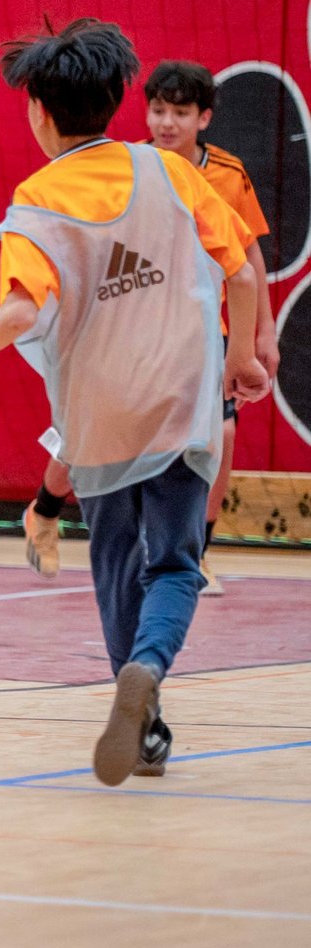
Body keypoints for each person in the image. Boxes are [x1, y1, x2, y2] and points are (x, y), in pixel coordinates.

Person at [0, 18, 266, 785]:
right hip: (181, 403)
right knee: (174, 565)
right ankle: (148, 668)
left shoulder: (36, 200)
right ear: (116, 102)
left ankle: (139, 716)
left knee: (113, 563)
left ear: (39, 110)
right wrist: (239, 361)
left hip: (96, 416)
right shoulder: (173, 173)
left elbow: (18, 312)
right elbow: (241, 272)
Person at [23, 61, 281, 593]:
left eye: (180, 112)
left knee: (220, 434)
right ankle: (45, 510)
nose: (166, 123)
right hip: (128, 327)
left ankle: (195, 552)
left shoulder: (226, 176)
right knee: (91, 435)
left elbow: (247, 255)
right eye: (157, 110)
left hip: (194, 336)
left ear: (204, 118)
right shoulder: (132, 167)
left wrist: (262, 335)